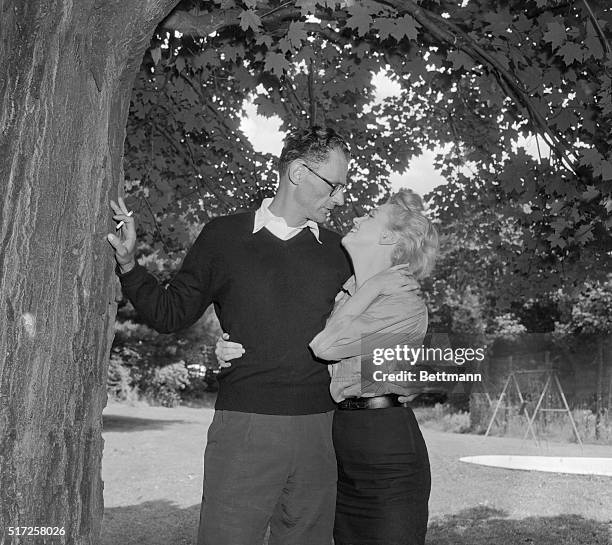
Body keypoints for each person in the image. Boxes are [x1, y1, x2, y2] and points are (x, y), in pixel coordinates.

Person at [106, 126, 353, 545]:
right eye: (335, 186)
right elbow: (171, 313)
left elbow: (365, 332)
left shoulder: (340, 252)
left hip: (321, 431)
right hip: (245, 428)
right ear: (298, 173)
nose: (341, 198)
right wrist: (129, 266)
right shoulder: (224, 237)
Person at [217, 188, 438, 545]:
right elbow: (291, 336)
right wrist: (228, 344)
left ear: (386, 237)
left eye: (367, 217)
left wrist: (373, 284)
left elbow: (327, 344)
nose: (354, 218)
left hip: (387, 450)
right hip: (342, 442)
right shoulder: (347, 292)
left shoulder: (403, 301)